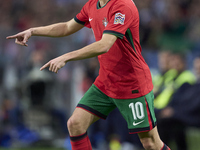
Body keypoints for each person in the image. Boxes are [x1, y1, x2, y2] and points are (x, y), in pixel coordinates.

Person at [7, 0, 170, 149]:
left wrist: (66, 56)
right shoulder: (92, 5)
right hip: (106, 82)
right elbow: (66, 27)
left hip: (132, 84)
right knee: (75, 124)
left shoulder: (123, 6)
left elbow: (105, 45)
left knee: (150, 143)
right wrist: (32, 31)